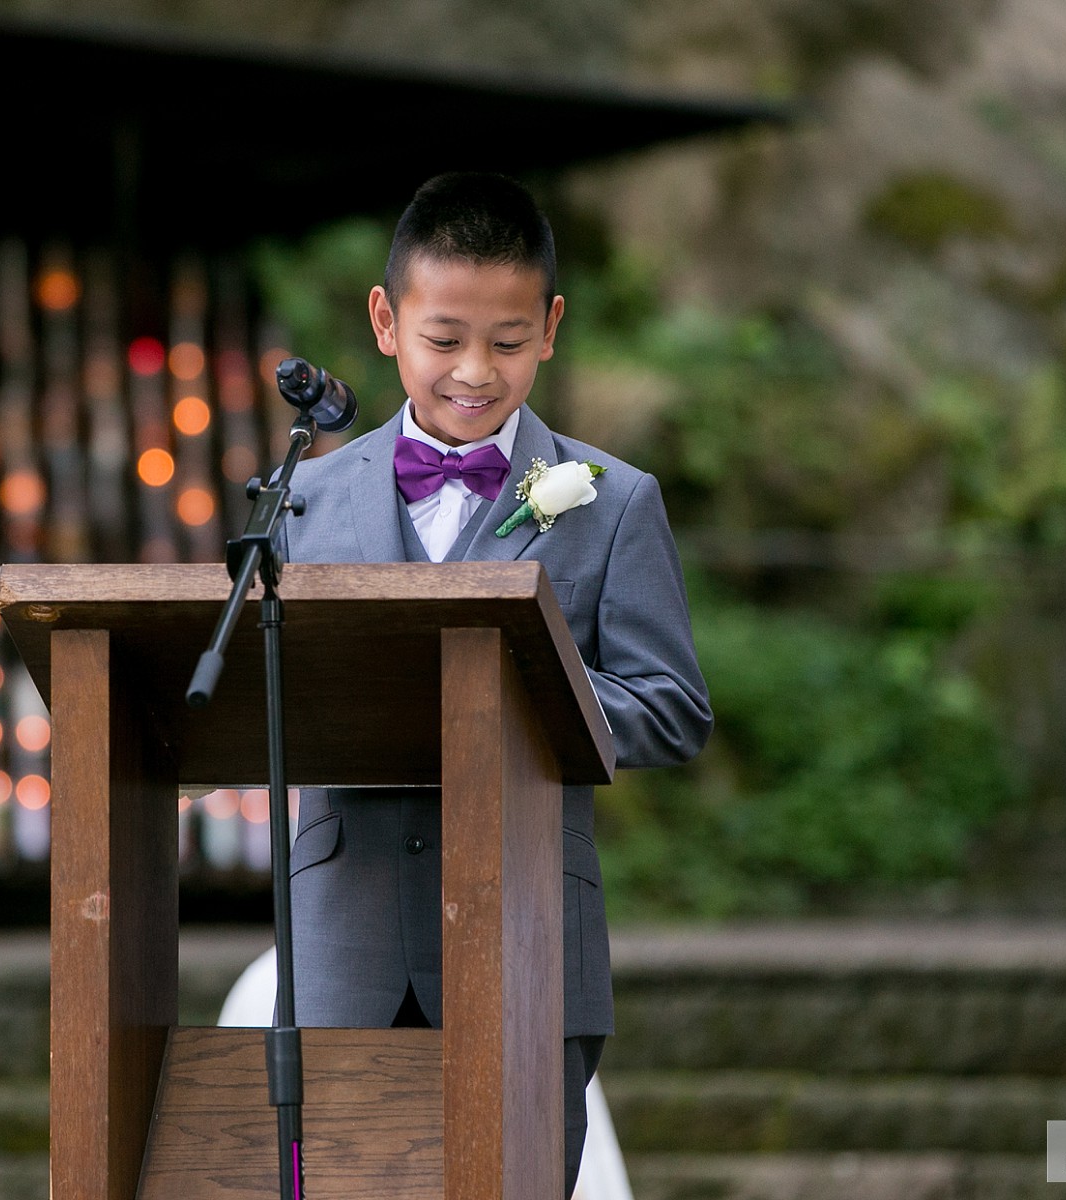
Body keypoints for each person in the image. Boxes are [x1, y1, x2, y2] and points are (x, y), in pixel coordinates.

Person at [282, 171, 712, 1196]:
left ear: (552, 327)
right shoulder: (303, 498)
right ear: (387, 322)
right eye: (445, 338)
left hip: (530, 942)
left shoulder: (612, 500)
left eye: (508, 341)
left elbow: (672, 708)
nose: (476, 370)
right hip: (346, 938)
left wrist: (520, 699)